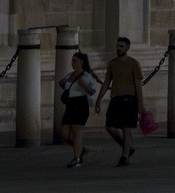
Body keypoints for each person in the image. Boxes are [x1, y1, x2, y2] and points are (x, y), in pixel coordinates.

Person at [93, 38, 144, 166]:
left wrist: (140, 104)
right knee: (110, 127)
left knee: (126, 128)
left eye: (121, 46)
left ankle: (125, 156)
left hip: (129, 99)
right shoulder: (112, 63)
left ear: (127, 48)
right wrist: (98, 99)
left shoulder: (134, 63)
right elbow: (106, 82)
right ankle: (126, 146)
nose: (118, 48)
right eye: (117, 46)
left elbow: (138, 85)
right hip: (116, 98)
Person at [59, 50, 98, 166]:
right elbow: (65, 86)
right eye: (72, 61)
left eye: (75, 61)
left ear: (81, 62)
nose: (72, 63)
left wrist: (84, 85)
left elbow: (92, 91)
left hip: (81, 104)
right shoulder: (69, 75)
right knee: (64, 134)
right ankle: (80, 149)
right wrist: (62, 83)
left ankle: (77, 159)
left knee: (76, 132)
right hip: (70, 105)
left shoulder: (86, 76)